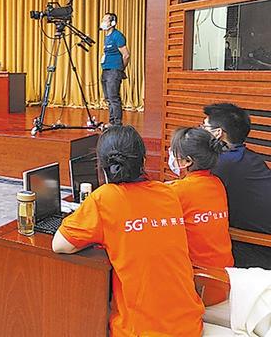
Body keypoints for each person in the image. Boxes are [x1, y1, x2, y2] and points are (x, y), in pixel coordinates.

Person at [52, 125, 204, 336]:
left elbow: (59, 245)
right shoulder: (167, 193)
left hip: (142, 331)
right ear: (143, 161)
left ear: (102, 165)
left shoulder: (104, 198)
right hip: (190, 325)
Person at [202, 103, 271, 269]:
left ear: (217, 133)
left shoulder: (221, 164)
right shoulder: (250, 158)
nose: (200, 131)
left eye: (204, 127)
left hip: (256, 249)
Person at [167, 127, 234, 269]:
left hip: (199, 272)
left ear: (187, 161)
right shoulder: (217, 183)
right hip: (226, 267)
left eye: (174, 152)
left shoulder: (177, 191)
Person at [99, 13, 130, 126]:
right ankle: (112, 122)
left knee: (113, 98)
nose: (103, 22)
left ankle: (116, 123)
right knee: (108, 98)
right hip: (106, 69)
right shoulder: (107, 37)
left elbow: (126, 55)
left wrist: (121, 69)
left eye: (105, 20)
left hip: (114, 70)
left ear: (112, 23)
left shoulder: (117, 36)